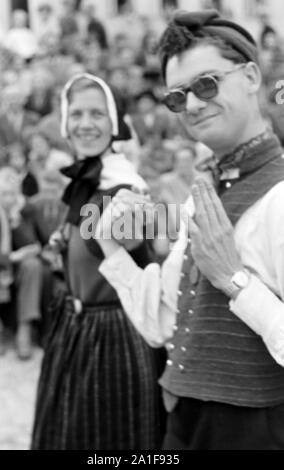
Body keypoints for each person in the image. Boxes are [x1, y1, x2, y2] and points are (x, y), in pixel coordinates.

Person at [96, 10, 284, 450]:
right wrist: (110, 246)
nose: (194, 104)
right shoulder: (204, 191)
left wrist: (235, 280)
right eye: (178, 97)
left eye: (206, 83)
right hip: (183, 422)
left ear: (252, 76)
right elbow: (164, 325)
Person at [31, 73, 165, 450]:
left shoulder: (124, 187)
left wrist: (129, 222)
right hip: (74, 330)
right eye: (76, 114)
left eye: (97, 114)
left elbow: (133, 235)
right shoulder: (89, 182)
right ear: (63, 120)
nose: (85, 124)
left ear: (115, 122)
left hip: (112, 340)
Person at [0, 167, 43, 359]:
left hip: (17, 272)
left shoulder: (25, 211)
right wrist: (10, 258)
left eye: (13, 194)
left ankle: (24, 330)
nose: (9, 199)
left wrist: (16, 222)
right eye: (4, 194)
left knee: (33, 265)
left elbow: (32, 246)